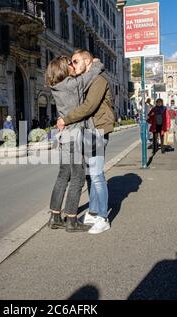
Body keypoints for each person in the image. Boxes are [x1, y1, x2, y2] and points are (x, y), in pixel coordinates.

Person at [57, 49, 115, 235]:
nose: (72, 65)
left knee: (97, 174)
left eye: (75, 61)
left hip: (97, 129)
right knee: (91, 174)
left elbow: (88, 107)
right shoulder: (89, 79)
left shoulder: (98, 80)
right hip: (89, 131)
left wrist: (65, 119)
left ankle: (103, 218)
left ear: (87, 61)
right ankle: (93, 211)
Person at [46, 55, 104, 233]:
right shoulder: (70, 85)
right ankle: (71, 220)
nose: (73, 65)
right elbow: (91, 74)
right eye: (70, 64)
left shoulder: (57, 86)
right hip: (75, 136)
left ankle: (55, 216)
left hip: (64, 136)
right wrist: (95, 62)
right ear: (64, 69)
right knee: (78, 177)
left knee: (64, 175)